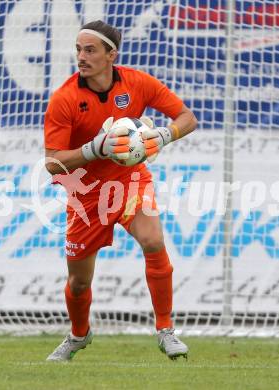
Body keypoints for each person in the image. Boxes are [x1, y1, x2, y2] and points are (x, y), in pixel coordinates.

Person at [44, 20, 197, 362]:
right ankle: (79, 335)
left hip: (129, 182)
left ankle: (166, 331)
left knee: (154, 241)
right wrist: (94, 148)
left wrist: (164, 136)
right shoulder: (65, 98)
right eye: (79, 50)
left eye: (90, 50)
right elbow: (52, 162)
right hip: (86, 195)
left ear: (112, 54)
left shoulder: (138, 83)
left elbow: (187, 117)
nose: (81, 57)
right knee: (79, 283)